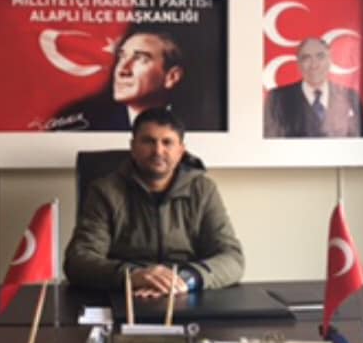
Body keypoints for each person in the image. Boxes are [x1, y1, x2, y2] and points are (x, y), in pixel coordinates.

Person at [64, 107, 244, 297]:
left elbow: (232, 258)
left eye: (167, 142)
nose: (158, 151)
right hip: (126, 294)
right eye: (148, 141)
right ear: (133, 147)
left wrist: (186, 279)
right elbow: (78, 261)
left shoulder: (203, 190)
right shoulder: (105, 191)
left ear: (181, 150)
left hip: (185, 293)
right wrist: (132, 276)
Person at [53, 30, 184, 131]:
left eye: (141, 59)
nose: (122, 70)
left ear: (171, 77)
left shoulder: (190, 123)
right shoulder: (85, 123)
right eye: (122, 57)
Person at [264, 37, 363, 138]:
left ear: (330, 60)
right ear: (298, 64)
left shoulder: (350, 96)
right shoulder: (277, 99)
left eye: (320, 57)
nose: (314, 65)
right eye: (306, 58)